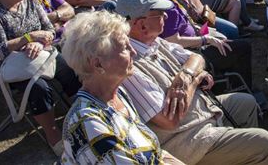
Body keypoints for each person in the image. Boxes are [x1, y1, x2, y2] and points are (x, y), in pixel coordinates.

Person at [115, 0, 268, 165]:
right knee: (263, 143)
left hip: (199, 116)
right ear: (141, 24)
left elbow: (196, 57)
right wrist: (195, 80)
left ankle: (238, 156)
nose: (166, 17)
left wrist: (186, 74)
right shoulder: (128, 65)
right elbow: (169, 122)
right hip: (184, 142)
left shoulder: (153, 42)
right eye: (159, 13)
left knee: (247, 103)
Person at [0, 0, 80, 154]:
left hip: (41, 53)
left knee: (70, 67)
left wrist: (39, 42)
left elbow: (49, 29)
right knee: (38, 87)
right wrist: (28, 38)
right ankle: (52, 133)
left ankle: (81, 113)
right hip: (12, 64)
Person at [60, 11, 181, 164]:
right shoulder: (88, 122)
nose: (134, 52)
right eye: (125, 47)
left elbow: (156, 153)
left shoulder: (117, 94)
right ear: (98, 64)